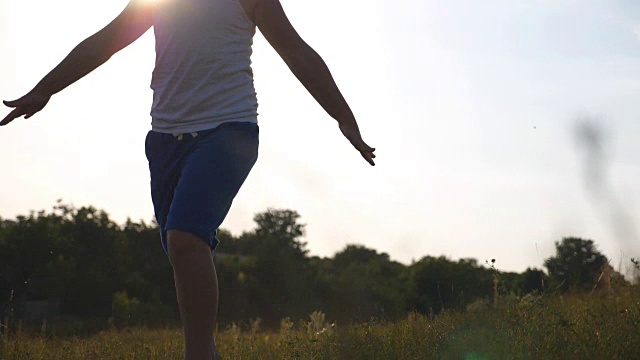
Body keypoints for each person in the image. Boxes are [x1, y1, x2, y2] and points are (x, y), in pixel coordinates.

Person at [1, 0, 375, 358]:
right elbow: (107, 40)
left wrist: (344, 117)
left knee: (184, 238)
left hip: (229, 132)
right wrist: (45, 87)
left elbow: (298, 53)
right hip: (165, 139)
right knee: (181, 250)